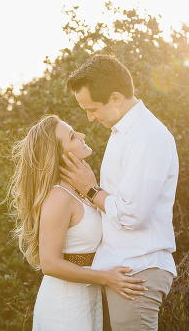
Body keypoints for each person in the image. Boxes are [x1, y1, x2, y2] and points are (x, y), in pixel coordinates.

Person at [60, 54, 179, 330]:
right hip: (123, 269)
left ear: (115, 98)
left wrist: (89, 190)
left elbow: (133, 214)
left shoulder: (146, 136)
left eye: (92, 109)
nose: (89, 119)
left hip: (136, 271)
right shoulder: (123, 133)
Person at [9, 115, 147, 330]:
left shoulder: (80, 191)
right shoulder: (59, 197)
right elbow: (50, 263)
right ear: (59, 154)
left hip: (89, 294)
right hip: (64, 303)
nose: (82, 135)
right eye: (73, 136)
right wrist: (106, 278)